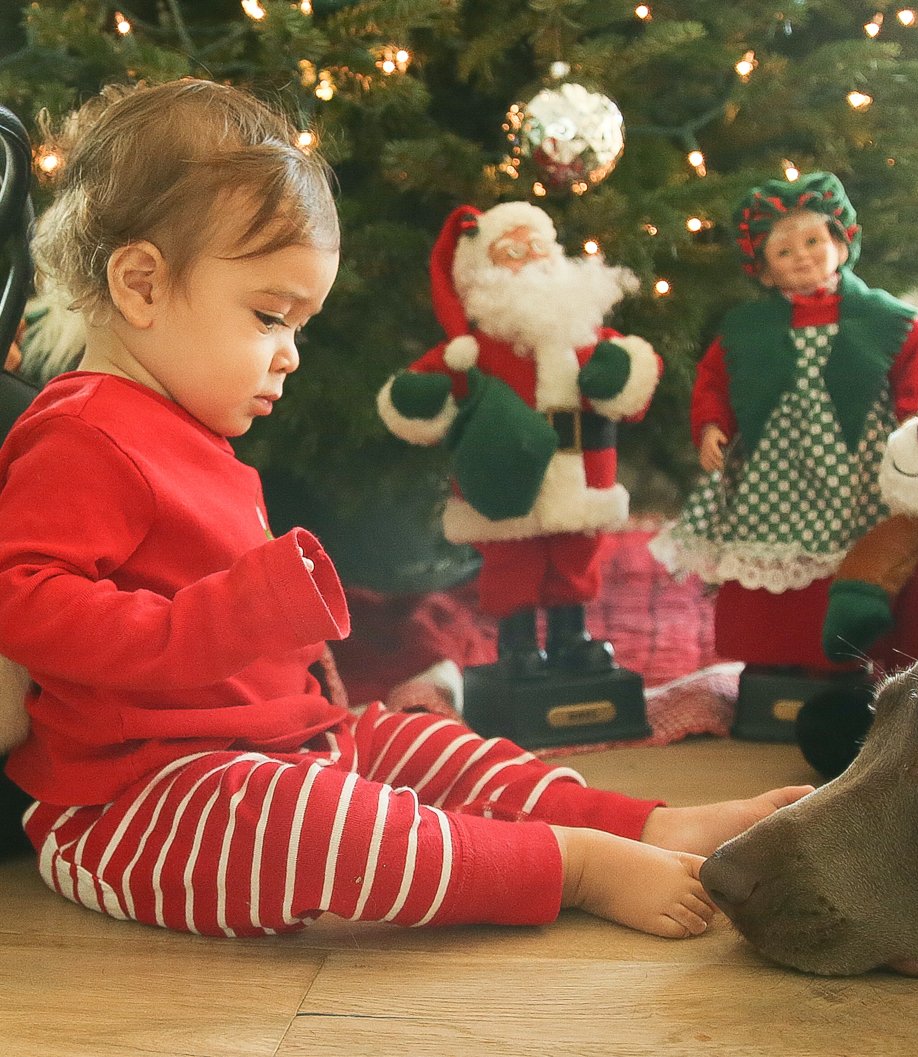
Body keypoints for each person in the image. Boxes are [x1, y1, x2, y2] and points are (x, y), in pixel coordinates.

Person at [0, 78, 807, 939]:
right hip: (131, 806)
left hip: (276, 745)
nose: (292, 355)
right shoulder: (81, 432)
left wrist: (307, 680)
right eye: (272, 316)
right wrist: (212, 624)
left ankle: (636, 822)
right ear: (140, 285)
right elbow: (24, 598)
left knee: (410, 740)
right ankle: (565, 865)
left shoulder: (189, 435)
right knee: (307, 822)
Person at [650, 172, 918, 675]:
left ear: (840, 242)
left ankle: (850, 656)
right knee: (769, 551)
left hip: (859, 466)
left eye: (814, 241)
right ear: (764, 272)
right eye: (784, 251)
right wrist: (711, 426)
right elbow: (714, 379)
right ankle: (773, 659)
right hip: (775, 467)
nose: (804, 256)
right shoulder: (748, 328)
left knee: (858, 553)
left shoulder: (884, 318)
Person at [377, 203, 661, 680]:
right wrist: (415, 399)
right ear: (482, 274)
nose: (530, 259)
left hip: (582, 476)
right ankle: (518, 646)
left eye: (537, 247)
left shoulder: (585, 336)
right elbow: (425, 394)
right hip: (506, 482)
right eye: (512, 251)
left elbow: (631, 390)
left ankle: (572, 638)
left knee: (576, 558)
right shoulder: (474, 352)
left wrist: (620, 374)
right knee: (513, 566)